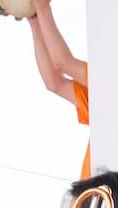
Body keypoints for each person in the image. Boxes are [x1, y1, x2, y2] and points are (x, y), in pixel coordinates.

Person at [25, 0, 91, 179]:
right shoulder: (106, 91)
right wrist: (35, 21)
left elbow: (63, 63)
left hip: (106, 192)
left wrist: (43, 7)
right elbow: (54, 82)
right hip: (90, 192)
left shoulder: (110, 82)